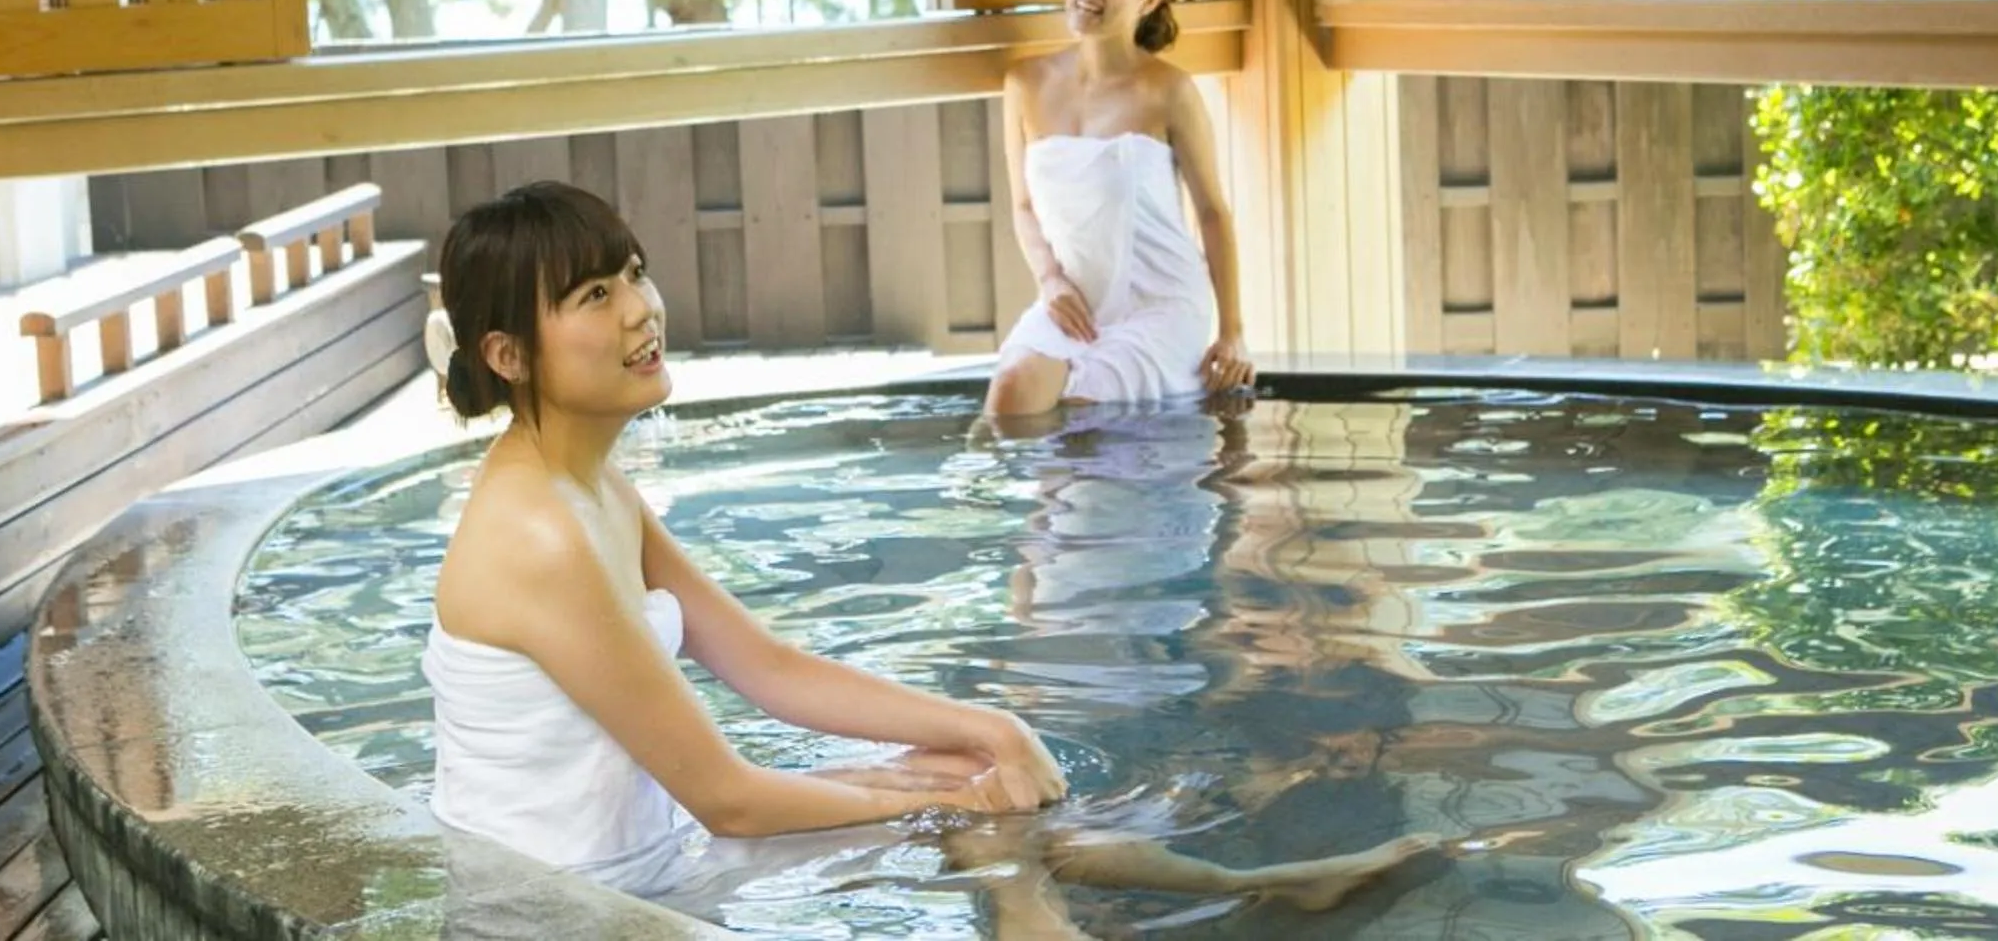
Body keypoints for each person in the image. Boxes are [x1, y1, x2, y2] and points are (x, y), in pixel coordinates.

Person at [424, 181, 1435, 931]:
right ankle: (1240, 894)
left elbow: (769, 670)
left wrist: (985, 730)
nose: (641, 310)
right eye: (594, 295)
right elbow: (726, 794)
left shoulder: (593, 485)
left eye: (634, 274)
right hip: (564, 911)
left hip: (643, 855)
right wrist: (952, 794)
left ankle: (1246, 890)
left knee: (965, 773)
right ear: (510, 355)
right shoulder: (539, 535)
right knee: (976, 819)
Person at [987, 0, 1255, 416]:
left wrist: (1233, 333)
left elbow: (1213, 214)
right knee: (1010, 396)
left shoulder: (1169, 90)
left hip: (1160, 303)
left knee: (1086, 415)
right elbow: (1023, 207)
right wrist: (1050, 281)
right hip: (1075, 300)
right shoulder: (1025, 83)